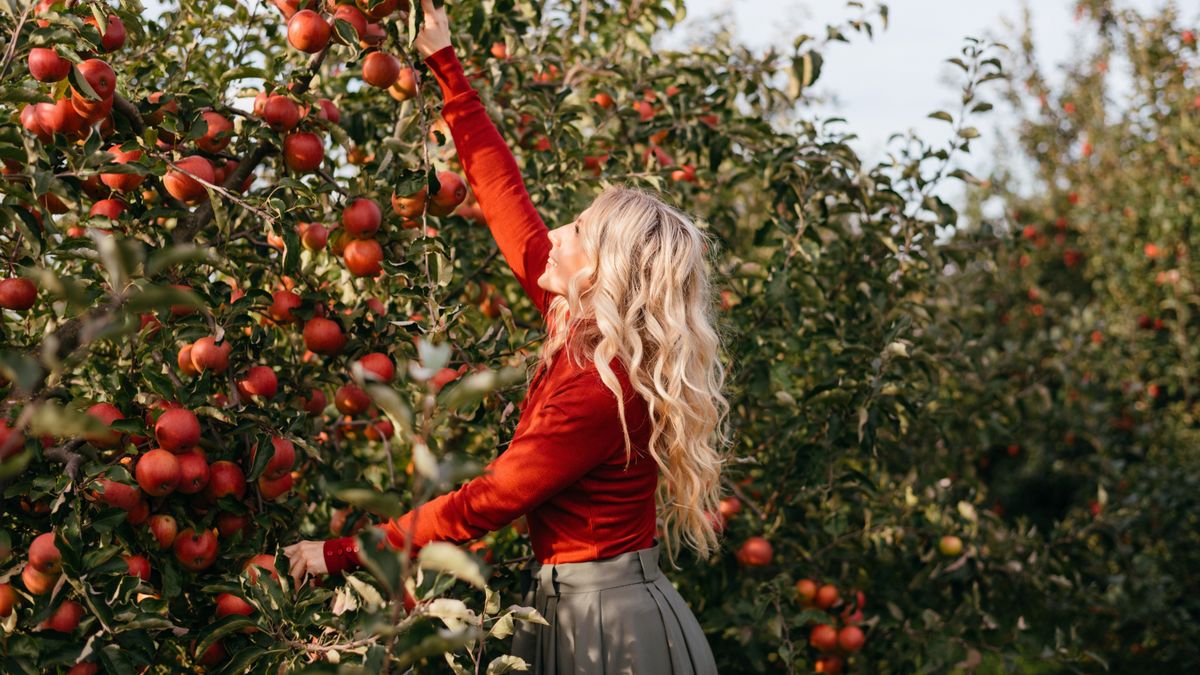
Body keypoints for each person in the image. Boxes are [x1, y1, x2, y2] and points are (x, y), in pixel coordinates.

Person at [285, 1, 730, 672]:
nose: (553, 234)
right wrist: (446, 65)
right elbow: (505, 200)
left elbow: (487, 501)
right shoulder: (577, 321)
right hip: (574, 608)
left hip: (612, 631)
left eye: (576, 232)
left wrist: (342, 550)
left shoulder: (597, 385)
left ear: (604, 273)